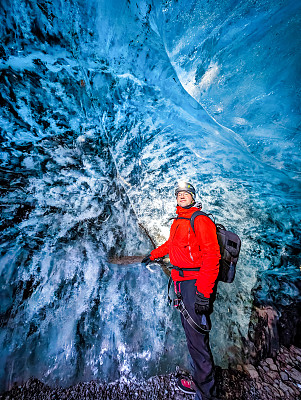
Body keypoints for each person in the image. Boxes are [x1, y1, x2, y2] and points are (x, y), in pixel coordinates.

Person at [142, 182, 221, 400]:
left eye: (186, 193)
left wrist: (203, 294)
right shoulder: (179, 221)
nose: (182, 196)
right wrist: (154, 254)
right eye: (179, 194)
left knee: (197, 341)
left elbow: (213, 257)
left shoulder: (201, 220)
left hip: (195, 284)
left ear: (194, 197)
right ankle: (200, 383)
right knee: (192, 337)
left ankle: (207, 394)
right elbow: (171, 245)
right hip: (182, 281)